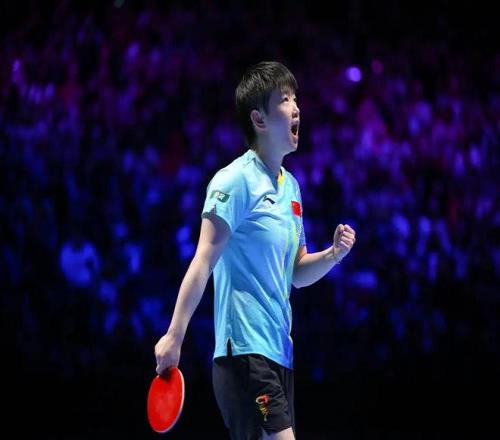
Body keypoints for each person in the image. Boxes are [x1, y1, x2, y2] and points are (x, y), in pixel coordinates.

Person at [154, 61, 356, 440]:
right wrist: (174, 335)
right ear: (259, 120)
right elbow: (203, 260)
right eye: (285, 100)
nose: (296, 108)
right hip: (244, 353)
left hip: (279, 353)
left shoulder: (291, 188)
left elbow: (296, 273)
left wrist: (332, 254)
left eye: (295, 98)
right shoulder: (234, 181)